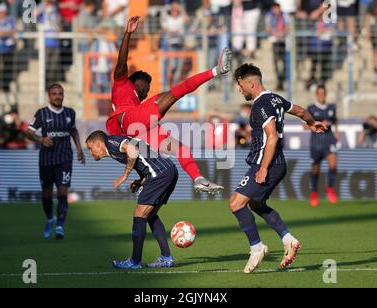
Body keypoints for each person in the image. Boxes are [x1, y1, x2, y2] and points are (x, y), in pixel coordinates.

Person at [108, 16, 230, 194]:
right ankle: (217, 70)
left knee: (181, 148)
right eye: (146, 88)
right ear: (137, 83)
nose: (147, 92)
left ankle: (199, 179)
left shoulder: (138, 105)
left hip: (138, 131)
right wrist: (127, 34)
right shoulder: (122, 84)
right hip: (128, 120)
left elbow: (137, 153)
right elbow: (122, 61)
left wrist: (141, 179)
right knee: (176, 92)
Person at [230, 64, 327, 273]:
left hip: (267, 162)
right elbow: (300, 111)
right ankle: (289, 240)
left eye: (240, 85)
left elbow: (272, 136)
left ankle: (257, 248)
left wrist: (263, 167)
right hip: (277, 163)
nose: (239, 90)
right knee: (255, 204)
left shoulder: (260, 105)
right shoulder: (275, 98)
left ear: (251, 83)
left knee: (236, 204)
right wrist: (311, 123)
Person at [86, 130, 178, 269]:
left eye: (90, 148)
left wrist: (125, 175)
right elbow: (146, 158)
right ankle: (166, 257)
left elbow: (133, 149)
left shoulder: (111, 143)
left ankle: (135, 261)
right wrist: (141, 180)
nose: (90, 152)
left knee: (139, 215)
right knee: (150, 215)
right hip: (168, 170)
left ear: (99, 144)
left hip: (159, 174)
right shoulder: (114, 147)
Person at [26, 84, 85, 240]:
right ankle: (50, 218)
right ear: (49, 96)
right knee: (46, 194)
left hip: (65, 158)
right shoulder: (42, 113)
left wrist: (79, 149)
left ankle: (60, 226)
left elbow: (73, 130)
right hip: (46, 160)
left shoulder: (69, 112)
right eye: (54, 94)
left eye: (60, 93)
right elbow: (29, 132)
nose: (57, 96)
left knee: (62, 192)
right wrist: (40, 139)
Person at [306, 85, 339, 207]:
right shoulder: (311, 108)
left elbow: (335, 120)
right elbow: (304, 125)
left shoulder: (331, 107)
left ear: (325, 94)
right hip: (316, 141)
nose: (321, 95)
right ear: (316, 94)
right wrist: (315, 125)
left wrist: (337, 131)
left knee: (333, 163)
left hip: (329, 139)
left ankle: (329, 188)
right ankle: (314, 192)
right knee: (315, 169)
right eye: (319, 93)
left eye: (323, 93)